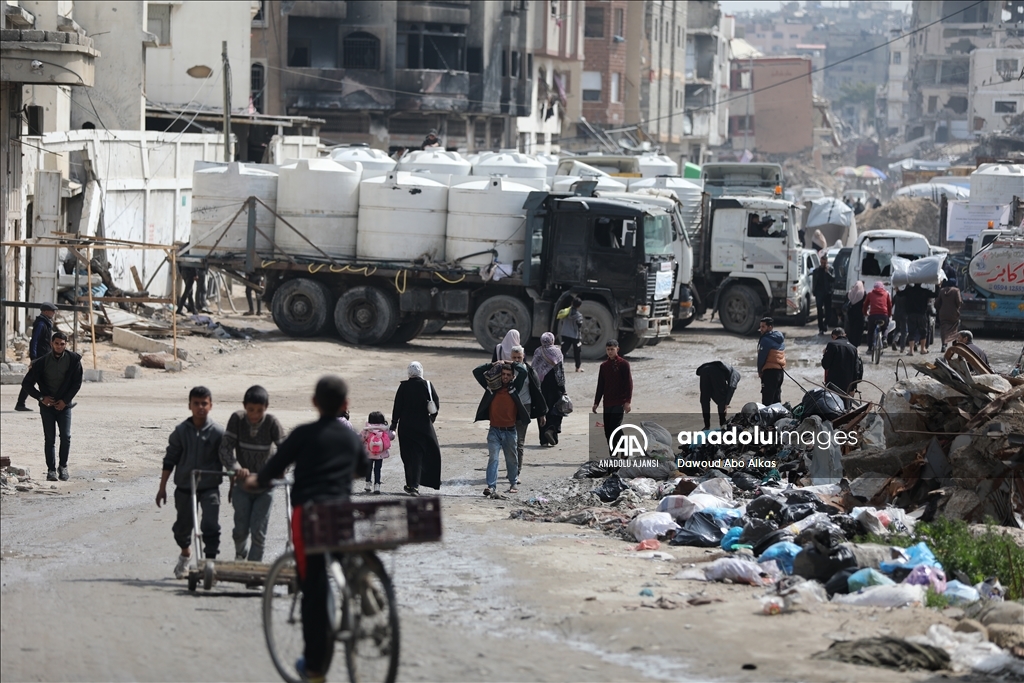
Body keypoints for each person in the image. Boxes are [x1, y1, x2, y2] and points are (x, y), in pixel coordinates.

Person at [242, 376, 369, 683]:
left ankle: (314, 669)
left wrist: (254, 481)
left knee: (313, 589)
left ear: (315, 403)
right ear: (345, 405)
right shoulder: (349, 437)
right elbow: (362, 469)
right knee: (337, 565)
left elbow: (273, 469)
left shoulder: (303, 434)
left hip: (310, 517)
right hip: (340, 517)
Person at [156, 386, 225, 579]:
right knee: (182, 528)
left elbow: (227, 460)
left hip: (210, 487)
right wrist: (162, 488)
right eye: (196, 403)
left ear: (210, 405)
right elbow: (169, 460)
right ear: (190, 406)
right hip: (185, 487)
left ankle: (209, 564)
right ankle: (186, 554)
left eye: (204, 403)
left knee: (211, 525)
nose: (200, 407)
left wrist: (234, 484)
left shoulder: (218, 432)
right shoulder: (180, 432)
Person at [218, 385, 284, 562]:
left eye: (259, 411)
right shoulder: (237, 420)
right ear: (244, 406)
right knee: (240, 529)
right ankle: (240, 554)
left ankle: (254, 570)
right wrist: (236, 467)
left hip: (265, 487)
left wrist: (273, 471)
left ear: (266, 407)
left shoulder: (271, 423)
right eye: (251, 410)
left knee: (259, 531)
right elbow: (225, 448)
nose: (254, 415)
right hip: (242, 485)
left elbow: (286, 451)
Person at [20, 330, 83, 481]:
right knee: (49, 439)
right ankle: (51, 470)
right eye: (56, 343)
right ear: (51, 344)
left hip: (64, 406)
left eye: (62, 344)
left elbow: (77, 383)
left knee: (66, 437)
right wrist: (41, 397)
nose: (59, 347)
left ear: (66, 344)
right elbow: (27, 384)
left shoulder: (73, 360)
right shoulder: (41, 363)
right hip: (47, 407)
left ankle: (63, 466)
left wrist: (65, 401)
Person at [473, 361, 528, 496]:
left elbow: (524, 371)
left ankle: (513, 482)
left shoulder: (515, 387)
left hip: (510, 431)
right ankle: (491, 487)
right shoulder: (492, 386)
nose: (505, 377)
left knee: (511, 459)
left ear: (512, 377)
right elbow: (476, 371)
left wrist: (511, 363)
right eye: (503, 374)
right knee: (493, 458)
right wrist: (492, 365)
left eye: (508, 375)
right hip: (494, 430)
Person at [391, 362, 442, 496]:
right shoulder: (427, 385)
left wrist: (393, 425)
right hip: (423, 427)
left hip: (406, 427)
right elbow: (435, 404)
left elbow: (397, 407)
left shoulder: (403, 387)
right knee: (418, 456)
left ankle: (410, 484)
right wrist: (431, 420)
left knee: (407, 456)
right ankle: (414, 486)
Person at [508, 345, 547, 480]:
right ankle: (511, 468)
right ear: (510, 357)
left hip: (525, 407)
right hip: (509, 409)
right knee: (509, 442)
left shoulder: (530, 372)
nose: (517, 360)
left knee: (519, 442)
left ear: (524, 357)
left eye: (519, 357)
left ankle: (516, 471)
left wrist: (542, 414)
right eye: (514, 357)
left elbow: (538, 393)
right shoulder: (507, 371)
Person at [15, 302, 57, 411]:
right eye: (52, 310)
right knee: (33, 381)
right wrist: (34, 358)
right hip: (40, 358)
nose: (54, 312)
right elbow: (34, 341)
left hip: (45, 357)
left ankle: (20, 404)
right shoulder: (41, 324)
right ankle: (56, 403)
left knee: (30, 381)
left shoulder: (46, 323)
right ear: (45, 311)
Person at [593, 339, 633, 453]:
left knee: (615, 426)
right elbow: (600, 385)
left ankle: (624, 449)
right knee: (608, 430)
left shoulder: (624, 364)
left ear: (617, 349)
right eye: (608, 349)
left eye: (612, 349)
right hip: (607, 402)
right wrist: (596, 402)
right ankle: (613, 452)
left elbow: (628, 384)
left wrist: (627, 401)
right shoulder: (604, 366)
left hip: (619, 401)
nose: (610, 352)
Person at [532, 332, 567, 446]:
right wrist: (563, 389)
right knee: (556, 410)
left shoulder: (537, 351)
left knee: (542, 410)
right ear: (552, 340)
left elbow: (533, 368)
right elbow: (559, 372)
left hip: (540, 386)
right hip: (555, 387)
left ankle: (543, 440)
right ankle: (551, 429)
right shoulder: (557, 352)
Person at [695, 361, 741, 430]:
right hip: (716, 370)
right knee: (722, 399)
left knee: (704, 398)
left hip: (704, 369)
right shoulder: (736, 374)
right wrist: (726, 403)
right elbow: (732, 387)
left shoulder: (729, 369)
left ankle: (707, 426)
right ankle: (722, 424)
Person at [821, 327, 859, 407]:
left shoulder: (832, 345)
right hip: (848, 386)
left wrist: (825, 354)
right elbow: (856, 370)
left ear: (833, 336)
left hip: (833, 385)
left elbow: (825, 365)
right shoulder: (853, 348)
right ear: (845, 335)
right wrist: (853, 388)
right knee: (846, 408)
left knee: (833, 407)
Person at [361, 411, 395, 494]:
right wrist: (393, 431)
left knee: (368, 469)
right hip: (380, 454)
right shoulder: (384, 429)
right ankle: (377, 485)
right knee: (377, 469)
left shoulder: (367, 429)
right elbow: (391, 436)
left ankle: (368, 484)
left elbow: (361, 438)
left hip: (368, 454)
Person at [756, 317, 786, 405]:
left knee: (767, 401)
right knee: (777, 400)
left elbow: (761, 358)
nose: (760, 329)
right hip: (780, 373)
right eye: (760, 327)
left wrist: (760, 371)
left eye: (763, 327)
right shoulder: (779, 338)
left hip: (770, 373)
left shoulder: (765, 340)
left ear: (770, 327)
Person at [862, 281, 892, 355]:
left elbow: (865, 305)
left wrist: (865, 313)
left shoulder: (870, 294)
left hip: (873, 315)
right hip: (884, 315)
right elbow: (889, 306)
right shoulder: (886, 294)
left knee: (870, 331)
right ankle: (884, 339)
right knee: (885, 328)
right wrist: (889, 315)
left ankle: (869, 348)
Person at [903, 284, 932, 356]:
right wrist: (939, 286)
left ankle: (911, 351)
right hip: (921, 315)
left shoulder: (908, 291)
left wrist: (896, 288)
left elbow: (899, 294)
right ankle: (923, 349)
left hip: (911, 315)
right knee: (923, 332)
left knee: (911, 332)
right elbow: (935, 294)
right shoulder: (925, 291)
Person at [559, 297, 584, 372]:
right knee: (577, 352)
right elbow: (579, 325)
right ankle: (577, 368)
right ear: (579, 306)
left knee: (562, 351)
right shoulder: (578, 315)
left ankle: (558, 367)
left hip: (565, 334)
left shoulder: (566, 313)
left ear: (572, 303)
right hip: (575, 336)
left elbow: (562, 322)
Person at [935, 282, 962, 352]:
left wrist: (939, 309)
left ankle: (944, 344)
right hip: (953, 314)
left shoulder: (942, 291)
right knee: (954, 328)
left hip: (943, 314)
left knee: (944, 329)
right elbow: (959, 302)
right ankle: (955, 343)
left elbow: (937, 303)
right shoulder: (956, 291)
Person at [812, 256, 834, 334]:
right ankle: (821, 327)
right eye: (822, 262)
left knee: (828, 312)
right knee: (819, 310)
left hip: (828, 293)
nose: (823, 264)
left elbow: (833, 279)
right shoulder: (816, 271)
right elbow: (814, 281)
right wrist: (814, 291)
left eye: (824, 263)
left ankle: (825, 324)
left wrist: (827, 272)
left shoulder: (830, 270)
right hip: (819, 293)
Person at [846, 280, 866, 348]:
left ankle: (850, 342)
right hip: (860, 315)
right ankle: (856, 344)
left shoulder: (850, 293)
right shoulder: (863, 294)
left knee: (851, 329)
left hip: (850, 314)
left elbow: (845, 303)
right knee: (858, 330)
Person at [890, 286, 909, 353]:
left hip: (896, 315)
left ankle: (894, 340)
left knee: (897, 329)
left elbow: (891, 304)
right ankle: (902, 347)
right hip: (904, 316)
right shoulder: (907, 297)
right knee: (904, 331)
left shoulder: (897, 295)